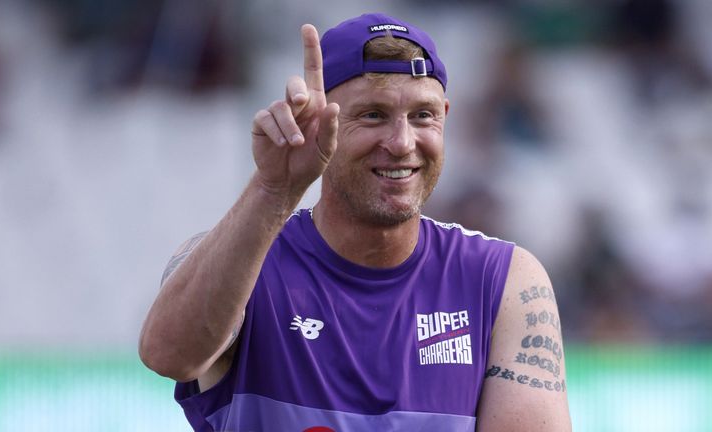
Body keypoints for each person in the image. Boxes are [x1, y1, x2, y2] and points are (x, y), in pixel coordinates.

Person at [139, 12, 571, 432]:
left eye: (423, 115)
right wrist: (274, 191)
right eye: (373, 115)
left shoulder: (504, 280)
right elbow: (168, 355)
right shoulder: (248, 263)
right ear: (322, 124)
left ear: (445, 116)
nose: (402, 143)